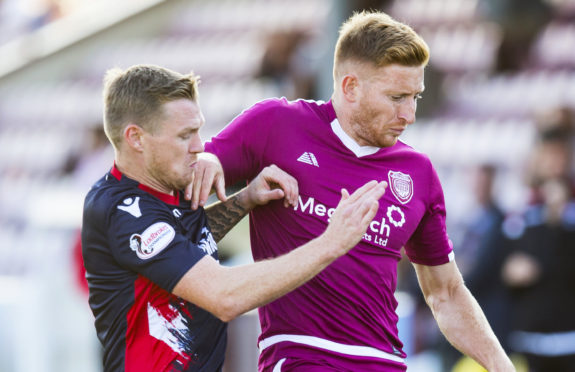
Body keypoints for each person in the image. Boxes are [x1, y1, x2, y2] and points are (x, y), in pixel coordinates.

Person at [194, 10, 515, 372]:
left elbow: (446, 293)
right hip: (302, 355)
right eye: (396, 97)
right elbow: (183, 224)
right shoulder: (275, 125)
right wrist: (242, 197)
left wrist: (501, 366)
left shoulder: (418, 173)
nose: (408, 114)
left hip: (385, 361)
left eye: (416, 98)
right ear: (350, 87)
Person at [81, 64, 387, 372]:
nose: (199, 146)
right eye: (185, 135)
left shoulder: (168, 187)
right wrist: (330, 243)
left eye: (198, 130)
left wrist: (246, 200)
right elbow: (224, 296)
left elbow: (184, 243)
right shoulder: (122, 208)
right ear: (136, 138)